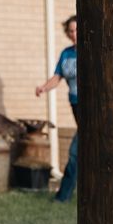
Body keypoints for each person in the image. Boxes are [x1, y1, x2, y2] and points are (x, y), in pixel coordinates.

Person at [34, 16, 80, 202]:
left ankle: (63, 196)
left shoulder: (92, 51)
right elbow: (58, 76)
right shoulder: (67, 54)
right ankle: (65, 196)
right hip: (76, 106)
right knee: (78, 153)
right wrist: (44, 87)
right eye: (70, 31)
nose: (73, 34)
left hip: (91, 110)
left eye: (76, 30)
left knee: (75, 153)